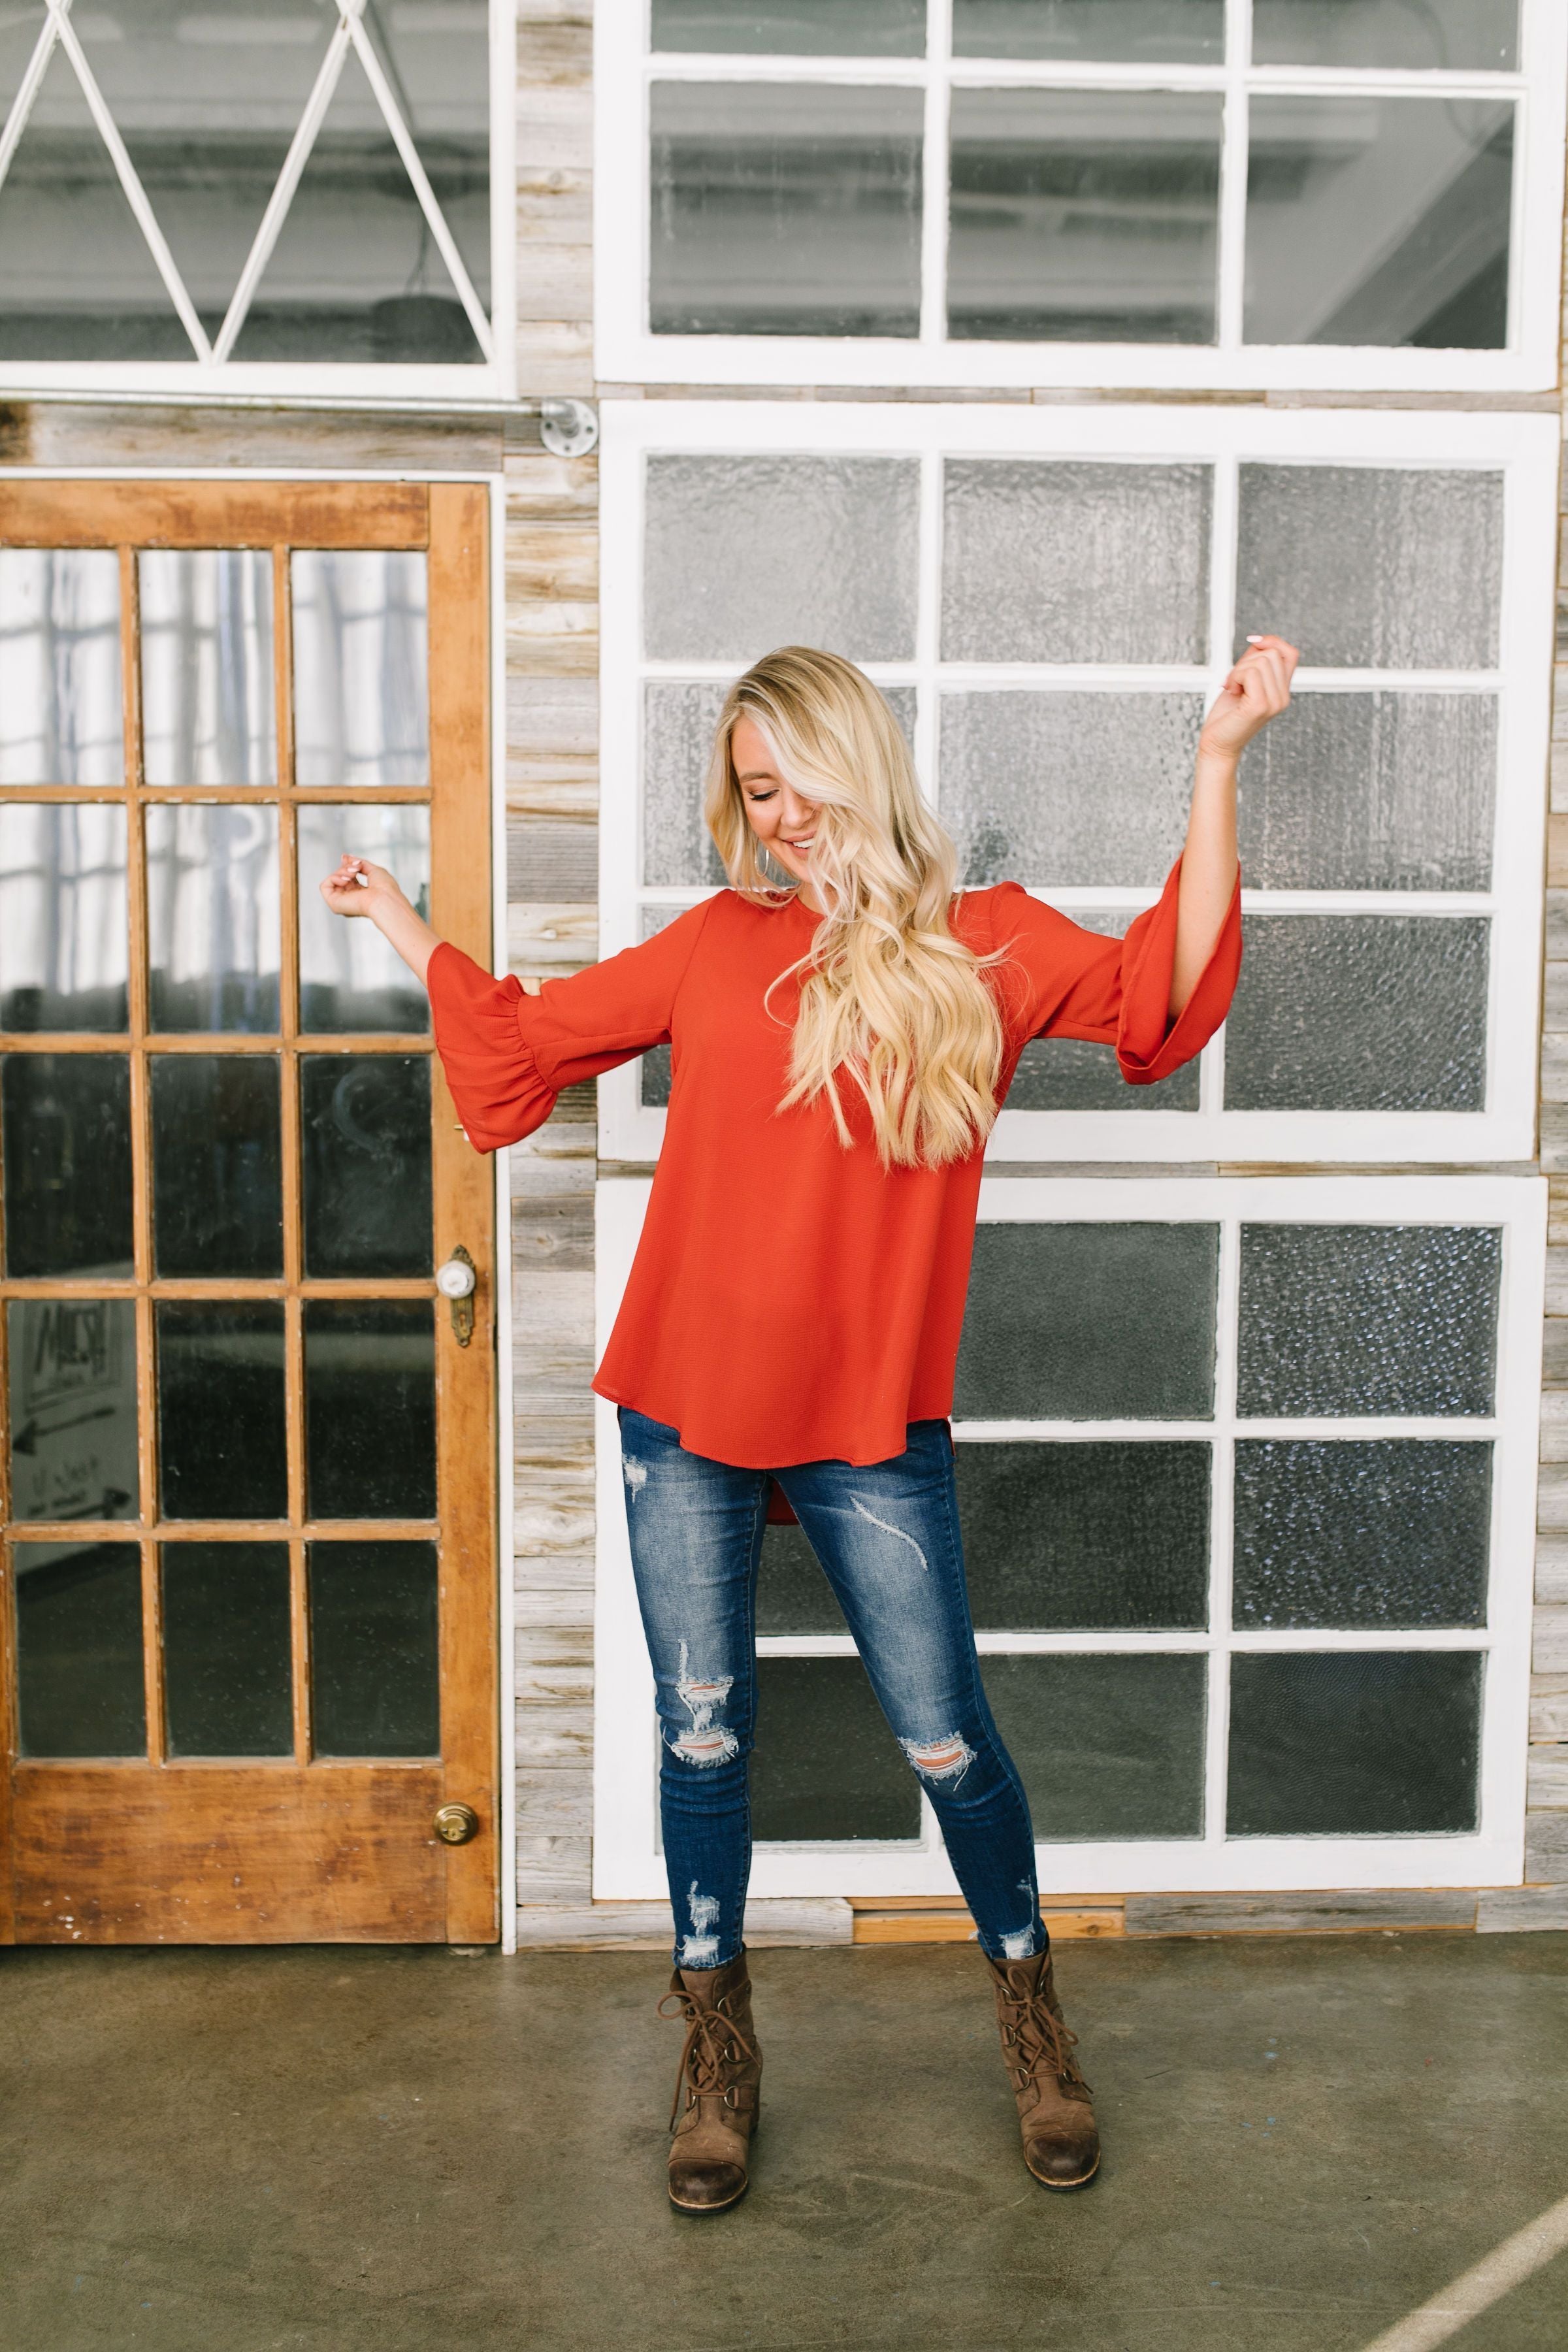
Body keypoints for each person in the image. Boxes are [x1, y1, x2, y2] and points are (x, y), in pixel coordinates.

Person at [321, 634, 1297, 2213]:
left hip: (866, 1417)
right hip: (685, 1412)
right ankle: (718, 2050)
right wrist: (399, 923)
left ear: (861, 758)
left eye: (795, 778)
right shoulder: (715, 943)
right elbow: (524, 1045)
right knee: (703, 1735)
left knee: (944, 1737)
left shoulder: (987, 944)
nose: (777, 814)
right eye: (752, 790)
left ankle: (1033, 2018)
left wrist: (1219, 761)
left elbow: (1163, 991)